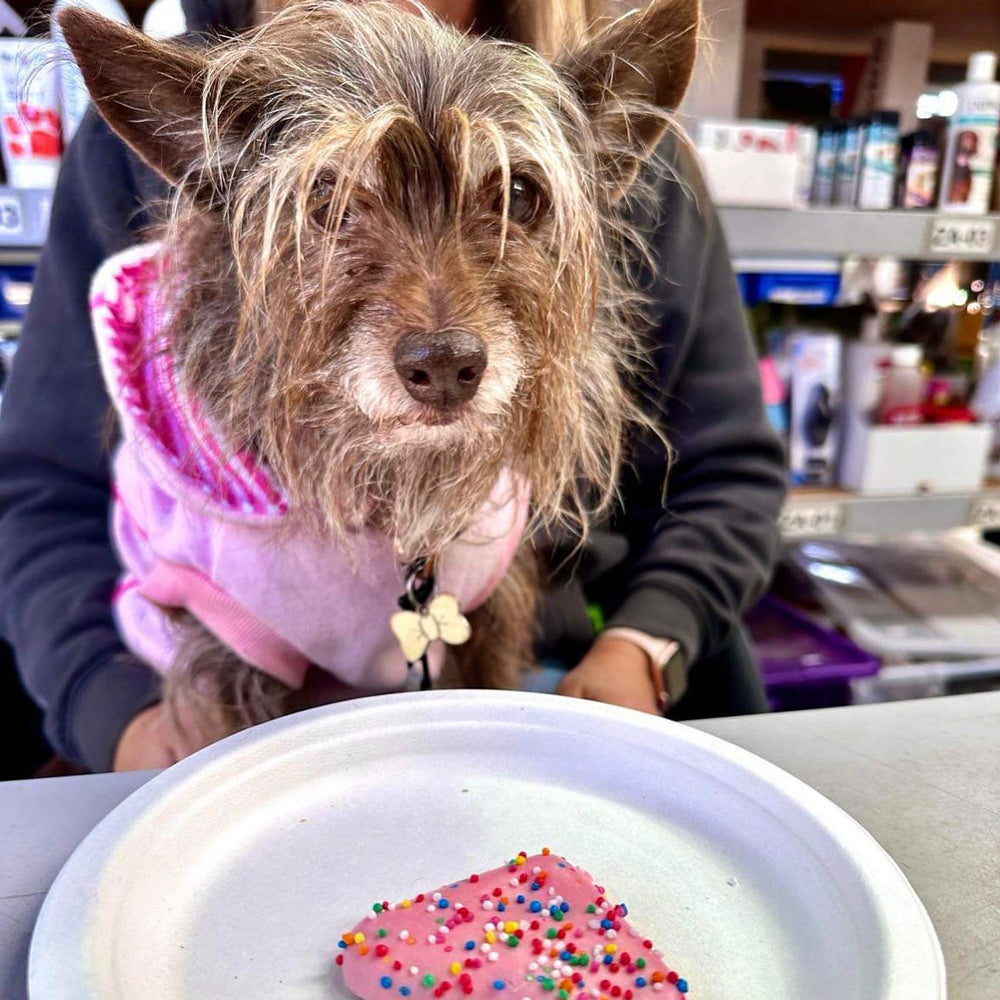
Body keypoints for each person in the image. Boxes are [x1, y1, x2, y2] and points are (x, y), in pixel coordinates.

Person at [0, 0, 786, 773]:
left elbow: (727, 476)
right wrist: (118, 715)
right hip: (214, 712)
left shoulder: (586, 129)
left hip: (563, 679)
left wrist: (645, 643)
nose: (441, 333)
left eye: (514, 199)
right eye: (333, 204)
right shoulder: (205, 124)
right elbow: (39, 494)